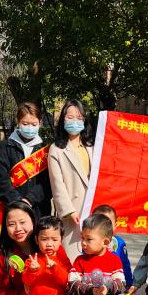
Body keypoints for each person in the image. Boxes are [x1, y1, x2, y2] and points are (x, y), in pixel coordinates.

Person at [0, 101, 52, 223]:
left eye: (34, 124)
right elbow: (0, 180)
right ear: (18, 122)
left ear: (40, 123)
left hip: (39, 211)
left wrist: (29, 199)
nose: (30, 127)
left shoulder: (46, 149)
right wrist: (18, 202)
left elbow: (48, 182)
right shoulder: (5, 147)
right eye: (25, 123)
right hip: (12, 209)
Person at [48, 99, 93, 259]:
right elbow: (57, 185)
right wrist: (69, 210)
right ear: (63, 120)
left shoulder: (91, 147)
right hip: (72, 213)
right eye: (70, 117)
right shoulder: (56, 149)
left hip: (93, 210)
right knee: (72, 258)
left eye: (79, 118)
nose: (75, 121)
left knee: (94, 258)